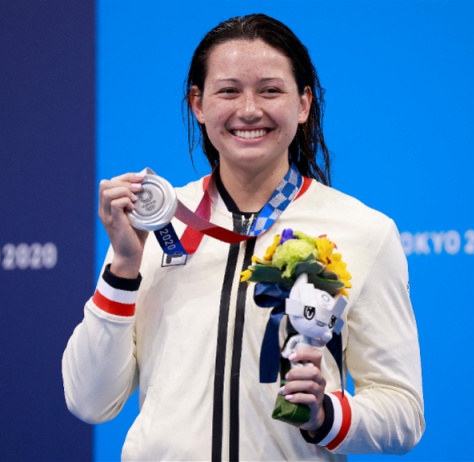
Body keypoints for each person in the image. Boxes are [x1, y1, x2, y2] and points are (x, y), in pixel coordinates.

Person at [62, 13, 425, 461]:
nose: (249, 110)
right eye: (229, 91)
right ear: (198, 104)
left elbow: (403, 412)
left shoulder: (363, 230)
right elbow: (89, 400)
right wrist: (123, 266)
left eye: (270, 90)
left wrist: (326, 416)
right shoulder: (154, 226)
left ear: (304, 104)